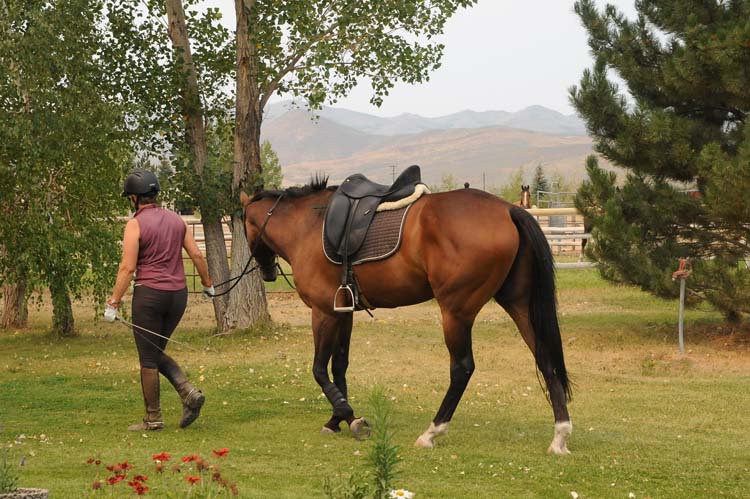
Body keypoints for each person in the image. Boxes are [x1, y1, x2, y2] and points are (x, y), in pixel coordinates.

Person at [104, 168, 215, 431]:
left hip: (149, 296)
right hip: (178, 296)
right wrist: (207, 284)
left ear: (133, 198)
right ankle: (188, 393)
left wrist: (113, 302)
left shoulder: (135, 224)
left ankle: (153, 418)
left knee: (148, 358)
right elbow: (197, 256)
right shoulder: (178, 220)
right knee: (154, 350)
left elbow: (127, 268)